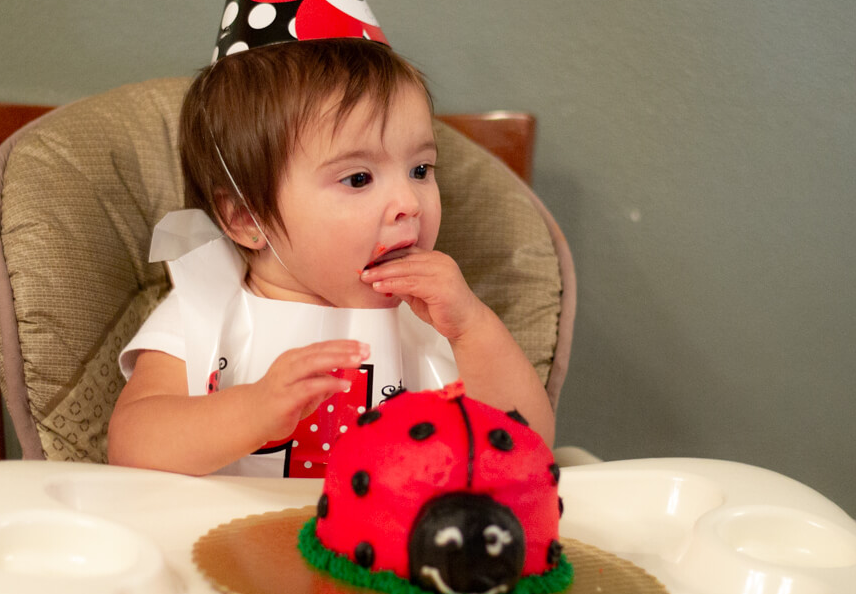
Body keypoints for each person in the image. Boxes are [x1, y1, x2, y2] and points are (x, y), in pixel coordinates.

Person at [107, 38, 554, 475]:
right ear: (246, 217)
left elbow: (527, 447)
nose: (409, 202)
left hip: (400, 545)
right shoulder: (207, 308)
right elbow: (131, 442)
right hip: (236, 543)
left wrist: (473, 328)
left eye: (420, 170)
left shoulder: (435, 316)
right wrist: (253, 410)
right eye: (358, 178)